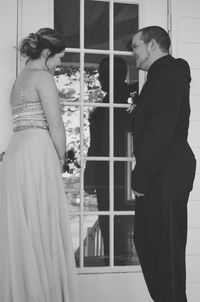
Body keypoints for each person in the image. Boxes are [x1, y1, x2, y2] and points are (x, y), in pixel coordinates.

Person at [0, 28, 79, 302]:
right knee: (43, 224)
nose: (59, 64)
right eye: (58, 58)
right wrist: (60, 159)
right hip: (37, 153)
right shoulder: (43, 77)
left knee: (24, 228)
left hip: (16, 154)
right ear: (46, 53)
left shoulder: (19, 78)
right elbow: (56, 124)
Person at [131, 25, 196, 302]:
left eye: (136, 46)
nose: (133, 53)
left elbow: (161, 134)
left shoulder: (167, 77)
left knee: (166, 261)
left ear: (153, 45)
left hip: (165, 178)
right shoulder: (160, 77)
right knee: (150, 249)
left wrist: (140, 180)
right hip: (160, 176)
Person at [84, 56, 138, 264]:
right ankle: (113, 262)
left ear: (116, 74)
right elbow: (95, 143)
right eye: (100, 73)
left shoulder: (131, 97)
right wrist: (90, 173)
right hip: (106, 173)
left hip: (123, 173)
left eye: (103, 73)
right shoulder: (106, 102)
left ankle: (123, 263)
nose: (99, 78)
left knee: (120, 224)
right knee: (108, 223)